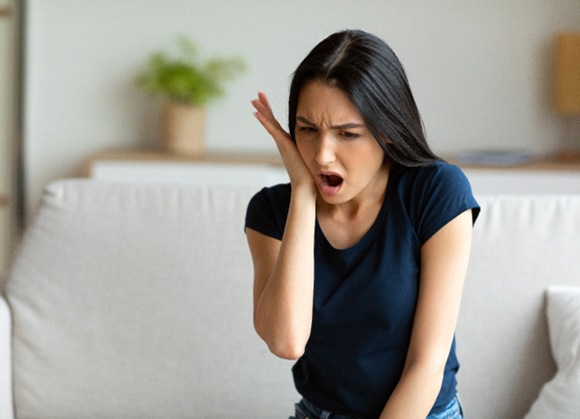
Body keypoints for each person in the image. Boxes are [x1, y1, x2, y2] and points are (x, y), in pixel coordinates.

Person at [245, 29, 480, 419]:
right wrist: (303, 194)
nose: (322, 155)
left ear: (387, 131)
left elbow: (428, 363)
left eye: (347, 134)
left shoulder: (437, 192)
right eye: (307, 129)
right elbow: (287, 341)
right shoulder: (271, 212)